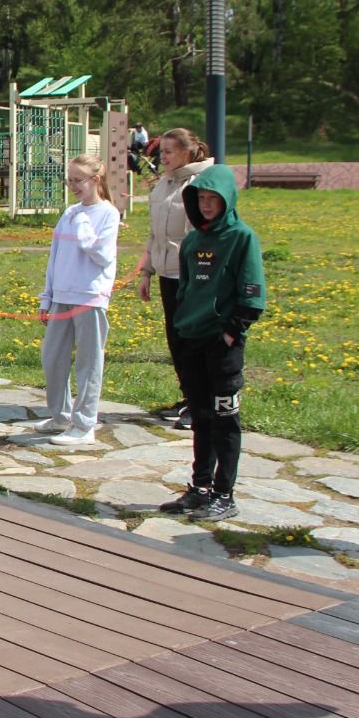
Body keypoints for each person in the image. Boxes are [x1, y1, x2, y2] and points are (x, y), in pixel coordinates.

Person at [158, 164, 266, 522]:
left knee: (224, 419)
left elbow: (252, 296)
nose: (205, 205)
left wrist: (230, 331)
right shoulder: (192, 241)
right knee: (200, 418)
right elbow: (186, 287)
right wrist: (182, 325)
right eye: (200, 198)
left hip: (222, 345)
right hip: (191, 338)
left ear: (226, 199)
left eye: (212, 199)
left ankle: (224, 493)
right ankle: (200, 488)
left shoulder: (242, 237)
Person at [35, 155, 120, 447]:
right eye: (69, 180)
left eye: (78, 180)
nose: (72, 186)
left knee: (88, 362)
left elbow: (101, 255)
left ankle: (84, 425)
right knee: (52, 358)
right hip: (62, 296)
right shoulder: (69, 213)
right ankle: (60, 415)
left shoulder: (108, 214)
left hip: (90, 297)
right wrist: (46, 297)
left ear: (96, 180)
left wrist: (84, 224)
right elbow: (55, 257)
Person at [138, 128, 214, 431]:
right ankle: (189, 396)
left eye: (169, 152)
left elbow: (206, 232)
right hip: (166, 273)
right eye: (162, 152)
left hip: (191, 275)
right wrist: (147, 270)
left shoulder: (201, 183)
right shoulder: (163, 185)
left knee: (194, 341)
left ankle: (203, 404)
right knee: (176, 340)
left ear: (187, 152)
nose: (163, 157)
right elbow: (155, 233)